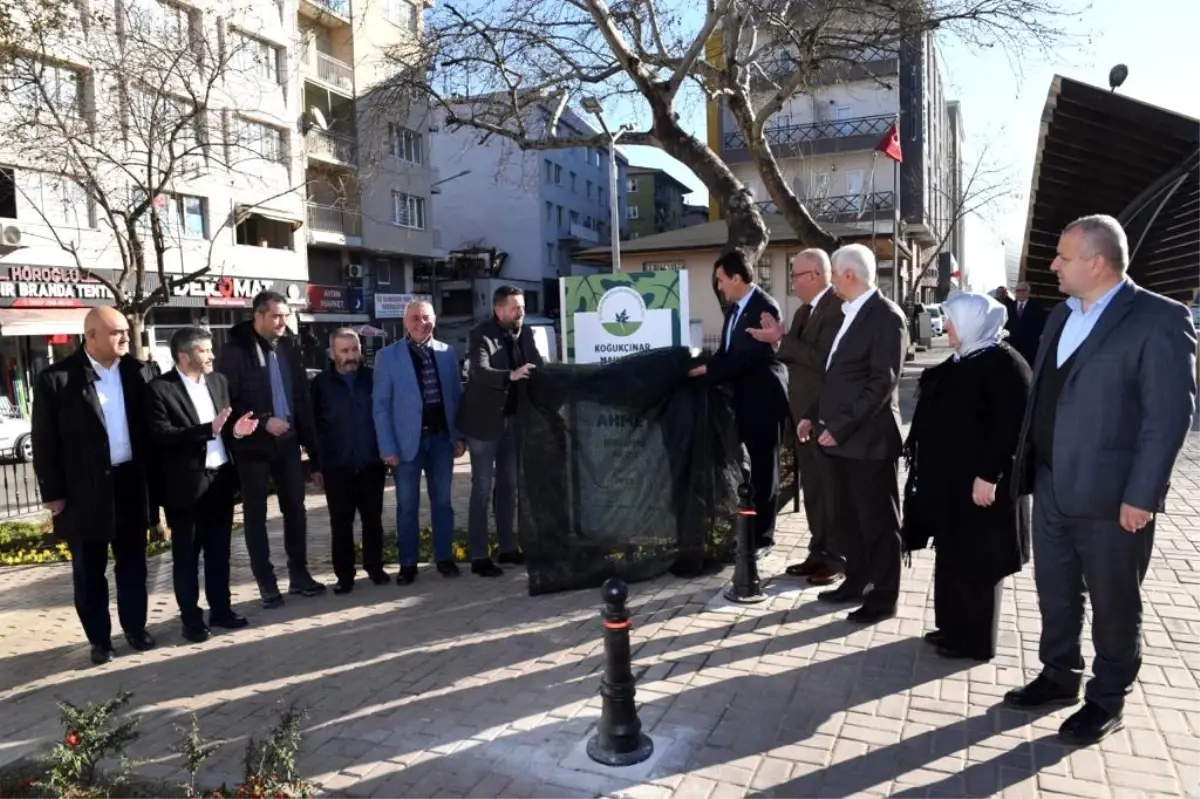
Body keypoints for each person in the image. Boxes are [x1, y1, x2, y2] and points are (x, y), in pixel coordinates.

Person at [1004, 215, 1197, 746]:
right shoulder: (1061, 315)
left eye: (1062, 257)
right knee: (1055, 592)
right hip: (1051, 485)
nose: (1052, 266)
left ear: (1097, 262)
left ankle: (1107, 699)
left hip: (1114, 499)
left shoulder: (1159, 319)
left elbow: (1168, 417)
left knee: (1115, 602)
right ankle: (1058, 675)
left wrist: (1142, 496)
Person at [900, 293, 1032, 662]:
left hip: (983, 486)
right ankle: (952, 627)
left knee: (981, 560)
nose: (946, 328)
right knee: (953, 555)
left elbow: (1012, 429)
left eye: (952, 321)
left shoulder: (1006, 366)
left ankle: (975, 641)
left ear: (974, 324)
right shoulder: (962, 360)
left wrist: (989, 475)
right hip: (952, 485)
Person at [31, 307, 158, 664]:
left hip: (130, 484)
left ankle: (135, 627)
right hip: (82, 491)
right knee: (89, 570)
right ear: (91, 336)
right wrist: (52, 493)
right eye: (116, 332)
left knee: (133, 563)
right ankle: (100, 640)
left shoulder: (139, 372)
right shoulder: (58, 379)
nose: (125, 338)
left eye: (125, 332)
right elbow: (45, 441)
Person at [797, 243, 907, 624]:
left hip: (869, 442)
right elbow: (834, 377)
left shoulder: (885, 316)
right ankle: (856, 581)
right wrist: (814, 415)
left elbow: (881, 383)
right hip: (838, 440)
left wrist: (840, 428)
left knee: (877, 522)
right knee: (845, 519)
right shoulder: (847, 313)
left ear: (848, 275)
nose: (832, 285)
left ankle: (884, 595)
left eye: (834, 277)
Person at [147, 327, 256, 643]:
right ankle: (191, 620)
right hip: (186, 488)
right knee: (187, 558)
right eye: (204, 351)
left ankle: (221, 610)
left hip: (220, 481)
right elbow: (161, 436)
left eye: (210, 350)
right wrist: (206, 429)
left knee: (220, 552)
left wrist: (236, 432)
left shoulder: (217, 381)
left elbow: (223, 430)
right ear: (184, 355)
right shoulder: (159, 390)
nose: (211, 356)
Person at [215, 290, 324, 608]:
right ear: (258, 316)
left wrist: (313, 452)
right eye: (276, 316)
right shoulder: (234, 351)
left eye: (285, 316)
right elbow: (227, 401)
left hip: (288, 443)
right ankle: (266, 582)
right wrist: (263, 421)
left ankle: (299, 575)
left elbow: (301, 398)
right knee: (256, 515)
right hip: (253, 447)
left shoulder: (289, 347)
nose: (282, 322)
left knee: (295, 509)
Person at [747, 249, 845, 584]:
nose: (793, 282)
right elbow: (795, 356)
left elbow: (825, 360)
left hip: (825, 414)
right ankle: (818, 552)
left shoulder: (837, 310)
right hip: (802, 414)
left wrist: (781, 339)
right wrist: (778, 342)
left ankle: (836, 558)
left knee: (831, 489)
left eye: (797, 276)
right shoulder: (805, 311)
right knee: (814, 489)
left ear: (816, 275)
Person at [688, 250, 788, 553]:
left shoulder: (763, 307)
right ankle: (748, 530)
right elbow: (726, 353)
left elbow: (748, 357)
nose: (719, 287)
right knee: (747, 468)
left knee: (763, 468)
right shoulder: (733, 310)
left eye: (721, 280)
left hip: (764, 397)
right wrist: (700, 364)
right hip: (743, 397)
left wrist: (708, 371)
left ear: (736, 278)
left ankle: (763, 538)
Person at [373, 300, 465, 584]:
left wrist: (458, 436)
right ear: (404, 322)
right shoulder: (388, 357)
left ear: (434, 321)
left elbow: (456, 398)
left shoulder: (448, 353)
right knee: (407, 506)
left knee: (443, 503)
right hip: (405, 444)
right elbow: (380, 405)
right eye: (414, 317)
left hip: (440, 441)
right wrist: (387, 447)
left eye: (425, 317)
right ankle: (408, 564)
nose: (419, 322)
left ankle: (444, 558)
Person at [456, 285, 544, 578]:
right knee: (482, 487)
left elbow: (539, 367)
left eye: (522, 308)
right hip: (484, 424)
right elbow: (479, 372)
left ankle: (508, 548)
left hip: (514, 422)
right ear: (499, 309)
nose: (521, 312)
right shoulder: (480, 334)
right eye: (515, 308)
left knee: (509, 486)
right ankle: (479, 555)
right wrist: (511, 374)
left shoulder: (527, 333)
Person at [309, 329, 389, 594]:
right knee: (340, 524)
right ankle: (344, 576)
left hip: (370, 463)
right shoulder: (320, 385)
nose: (351, 356)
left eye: (354, 349)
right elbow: (314, 428)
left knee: (372, 520)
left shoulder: (372, 379)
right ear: (332, 353)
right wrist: (316, 465)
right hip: (337, 466)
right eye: (344, 351)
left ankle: (375, 568)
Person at [1004, 281, 1048, 367]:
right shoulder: (1010, 307)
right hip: (1013, 344)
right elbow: (1006, 325)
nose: (1020, 293)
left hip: (1030, 347)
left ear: (1028, 292)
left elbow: (1041, 325)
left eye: (1023, 290)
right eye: (1018, 290)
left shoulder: (1036, 307)